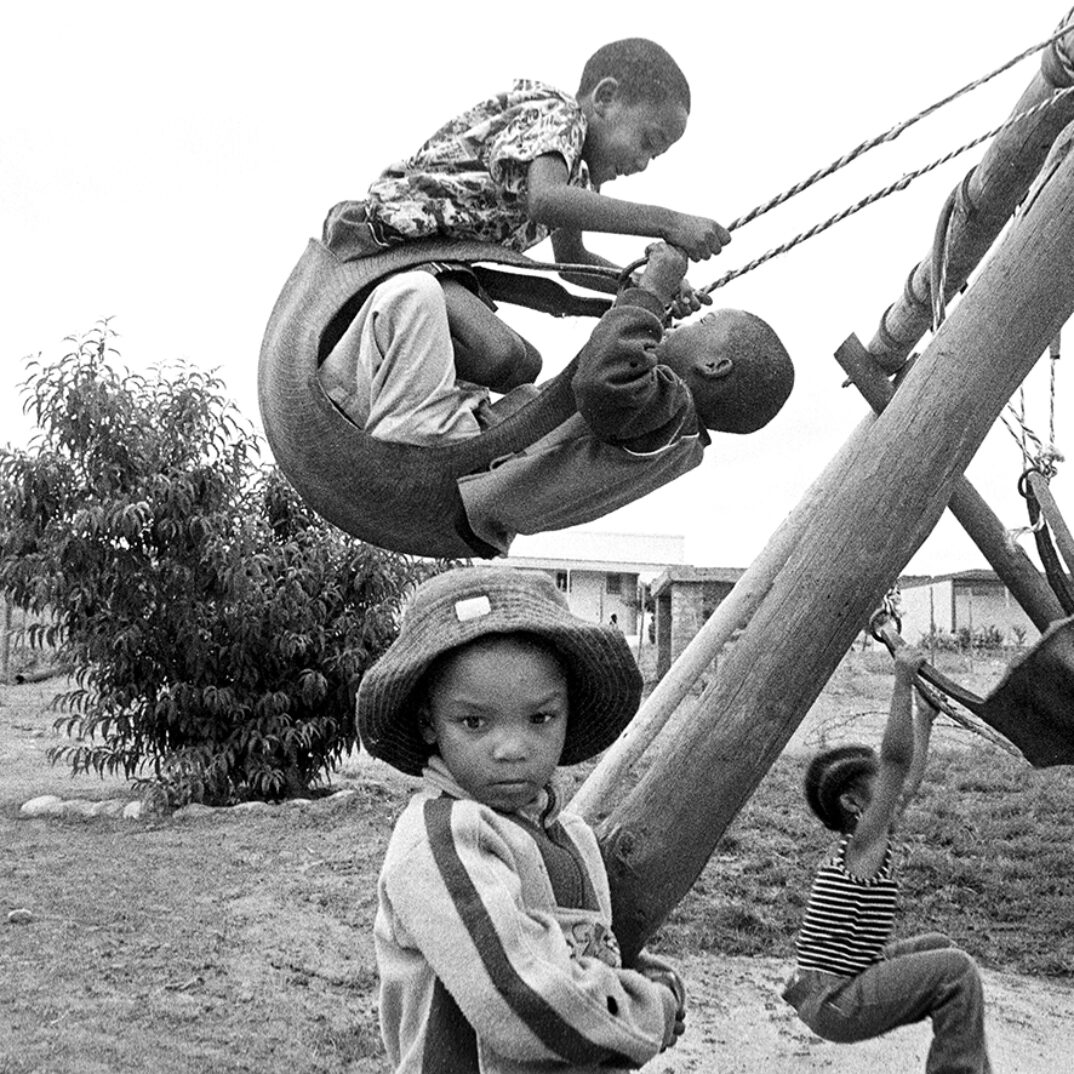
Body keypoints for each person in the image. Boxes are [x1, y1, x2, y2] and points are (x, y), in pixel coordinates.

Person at [356, 565, 687, 1073]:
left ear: (567, 713)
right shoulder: (444, 838)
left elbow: (580, 947)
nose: (511, 748)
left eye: (540, 718)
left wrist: (644, 976)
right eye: (473, 721)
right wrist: (647, 1011)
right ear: (428, 722)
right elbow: (519, 995)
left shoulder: (571, 836)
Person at [317, 240, 794, 554]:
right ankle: (355, 396)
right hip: (471, 464)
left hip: (441, 455)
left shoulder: (668, 414)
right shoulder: (671, 439)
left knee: (414, 293)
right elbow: (601, 374)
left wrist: (651, 293)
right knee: (522, 362)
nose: (685, 323)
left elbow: (599, 379)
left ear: (715, 367)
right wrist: (632, 298)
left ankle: (340, 398)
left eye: (702, 325)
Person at [322, 37, 731, 390]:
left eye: (655, 156)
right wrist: (671, 222)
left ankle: (414, 388)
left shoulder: (577, 179)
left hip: (435, 266)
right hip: (387, 245)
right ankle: (377, 372)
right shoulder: (557, 114)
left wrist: (644, 286)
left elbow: (571, 263)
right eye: (647, 141)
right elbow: (546, 200)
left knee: (521, 366)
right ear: (605, 98)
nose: (643, 163)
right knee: (499, 353)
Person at [782, 644, 993, 1074]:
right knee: (957, 972)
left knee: (940, 947)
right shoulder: (864, 842)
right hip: (836, 999)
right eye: (880, 785)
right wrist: (900, 680)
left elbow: (907, 776)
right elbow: (896, 761)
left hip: (833, 984)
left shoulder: (862, 837)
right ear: (854, 803)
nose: (893, 790)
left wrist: (924, 719)